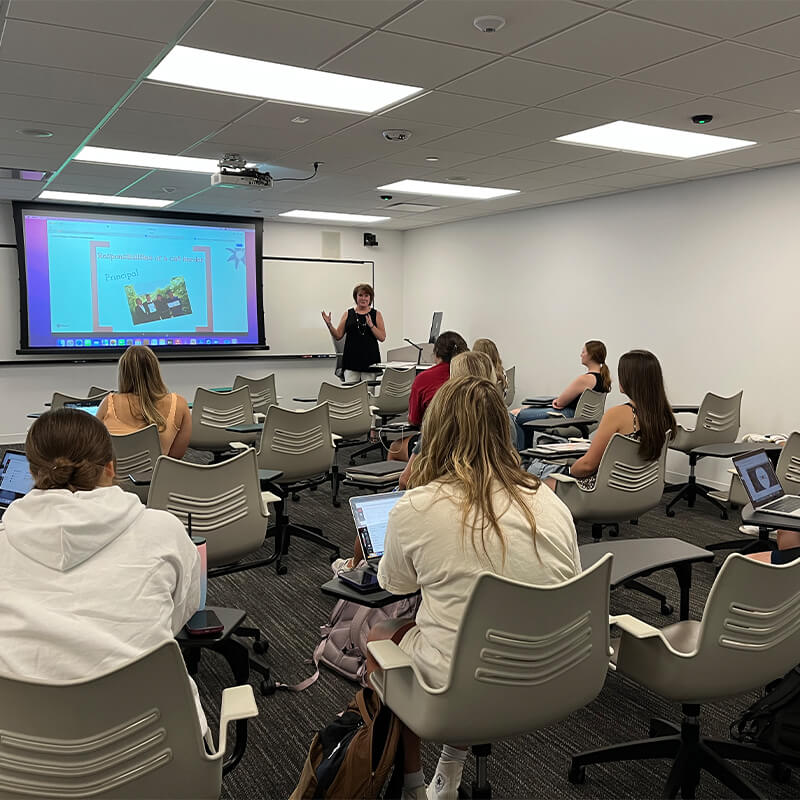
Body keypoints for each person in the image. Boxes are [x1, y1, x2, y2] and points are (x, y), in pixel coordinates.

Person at [369, 376, 582, 800]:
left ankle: (412, 784)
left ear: (436, 434)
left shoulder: (418, 505)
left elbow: (393, 583)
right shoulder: (548, 498)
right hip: (561, 673)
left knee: (382, 634)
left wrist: (408, 495)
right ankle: (450, 768)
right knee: (468, 623)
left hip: (467, 687)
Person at [0, 409, 206, 733]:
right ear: (110, 467)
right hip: (160, 754)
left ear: (33, 472)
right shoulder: (165, 530)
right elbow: (183, 612)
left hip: (23, 766)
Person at [534, 349, 676, 492]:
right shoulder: (664, 415)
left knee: (538, 487)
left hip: (603, 492)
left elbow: (588, 466)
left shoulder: (617, 414)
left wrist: (570, 469)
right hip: (642, 490)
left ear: (629, 379)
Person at [396, 350, 495, 490]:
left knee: (395, 449)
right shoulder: (505, 422)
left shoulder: (442, 421)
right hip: (489, 494)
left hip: (442, 496)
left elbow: (406, 480)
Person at [511, 340, 612, 450]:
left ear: (591, 355)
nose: (581, 355)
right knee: (525, 415)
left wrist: (557, 402)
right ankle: (525, 458)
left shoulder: (585, 379)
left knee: (515, 416)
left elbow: (560, 402)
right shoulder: (603, 379)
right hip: (583, 420)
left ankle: (522, 459)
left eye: (583, 352)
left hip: (566, 417)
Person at [97, 344, 192, 457]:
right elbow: (174, 461)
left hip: (115, 474)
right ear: (155, 369)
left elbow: (95, 450)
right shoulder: (179, 405)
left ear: (124, 373)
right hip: (157, 474)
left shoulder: (108, 403)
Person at [387, 331, 468, 462]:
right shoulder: (470, 376)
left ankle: (404, 480)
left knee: (394, 449)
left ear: (436, 353)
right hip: (469, 443)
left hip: (435, 442)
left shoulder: (424, 378)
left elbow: (414, 420)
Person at [322, 283, 386, 383]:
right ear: (356, 297)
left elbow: (382, 337)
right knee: (351, 394)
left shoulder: (376, 314)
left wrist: (371, 326)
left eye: (366, 295)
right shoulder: (348, 313)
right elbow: (338, 336)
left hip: (370, 361)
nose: (363, 298)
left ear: (370, 298)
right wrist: (329, 324)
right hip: (351, 361)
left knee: (368, 394)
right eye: (360, 295)